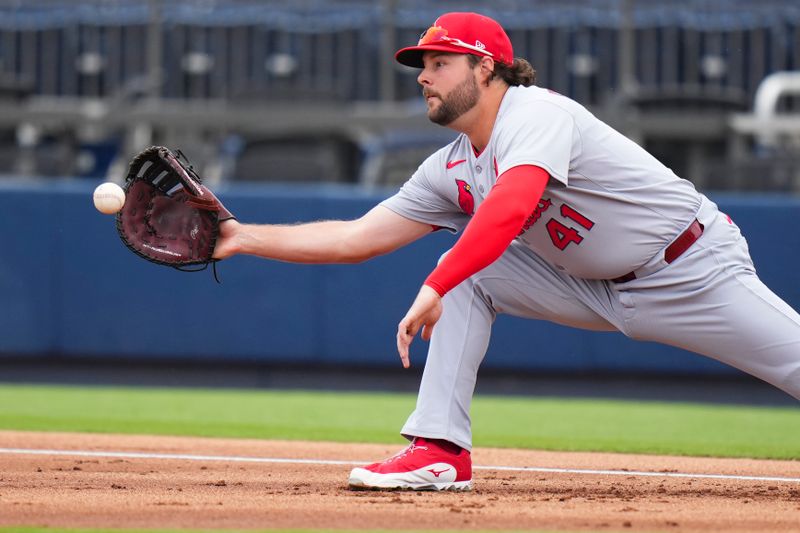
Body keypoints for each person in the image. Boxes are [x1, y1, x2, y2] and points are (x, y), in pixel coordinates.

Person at [212, 12, 800, 491]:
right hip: (591, 286)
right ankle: (438, 451)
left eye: (440, 63)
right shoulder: (449, 166)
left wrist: (437, 280)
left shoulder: (536, 112)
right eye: (422, 65)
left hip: (688, 269)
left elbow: (511, 206)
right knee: (473, 276)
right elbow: (354, 238)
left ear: (485, 67)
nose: (424, 76)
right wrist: (241, 236)